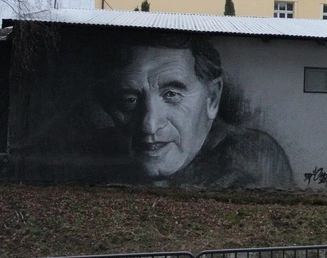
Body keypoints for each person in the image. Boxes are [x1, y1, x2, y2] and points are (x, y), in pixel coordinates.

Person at [95, 32, 293, 188]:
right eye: (130, 100)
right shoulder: (98, 153)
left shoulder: (254, 158)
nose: (149, 125)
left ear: (212, 98)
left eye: (172, 95)